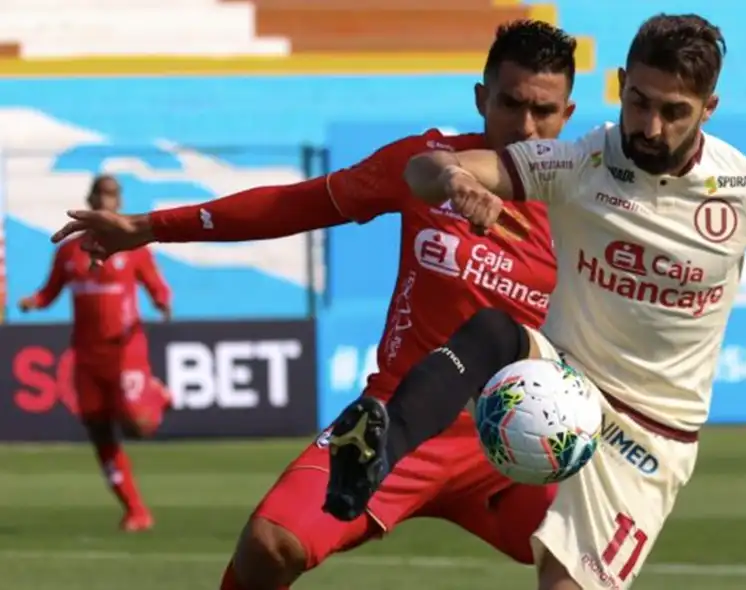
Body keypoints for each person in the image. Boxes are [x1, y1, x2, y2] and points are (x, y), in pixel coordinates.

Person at [314, 13, 746, 590]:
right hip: (562, 377)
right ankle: (378, 450)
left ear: (709, 108)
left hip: (649, 434)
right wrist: (455, 180)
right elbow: (427, 167)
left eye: (674, 111)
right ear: (619, 82)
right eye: (637, 101)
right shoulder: (582, 159)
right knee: (495, 332)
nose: (648, 126)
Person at [49, 20, 578, 590]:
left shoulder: (588, 206)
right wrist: (149, 226)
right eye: (510, 103)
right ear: (482, 97)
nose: (525, 126)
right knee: (268, 546)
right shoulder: (428, 165)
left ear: (567, 115)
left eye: (543, 111)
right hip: (395, 420)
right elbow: (294, 205)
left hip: (519, 436)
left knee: (582, 568)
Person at [19, 173, 172, 532]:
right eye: (101, 195)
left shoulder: (132, 246)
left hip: (125, 350)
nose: (107, 201)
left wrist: (162, 300)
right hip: (86, 357)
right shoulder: (69, 252)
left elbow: (155, 284)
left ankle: (160, 395)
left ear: (119, 202)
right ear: (91, 200)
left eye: (113, 195)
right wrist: (32, 302)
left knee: (138, 426)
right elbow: (50, 292)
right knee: (99, 431)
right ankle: (135, 510)